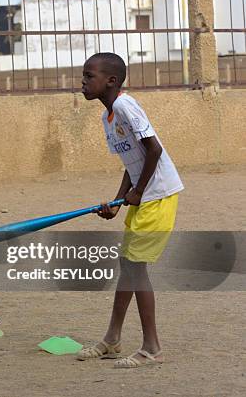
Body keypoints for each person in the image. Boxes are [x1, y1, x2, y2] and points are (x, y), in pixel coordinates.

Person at [77, 52, 184, 368]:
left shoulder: (124, 105)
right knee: (128, 266)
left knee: (136, 269)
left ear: (110, 81)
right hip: (144, 195)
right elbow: (132, 162)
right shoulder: (107, 117)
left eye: (88, 76)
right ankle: (112, 339)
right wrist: (119, 200)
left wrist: (138, 192)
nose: (82, 82)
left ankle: (152, 348)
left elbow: (154, 148)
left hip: (159, 195)